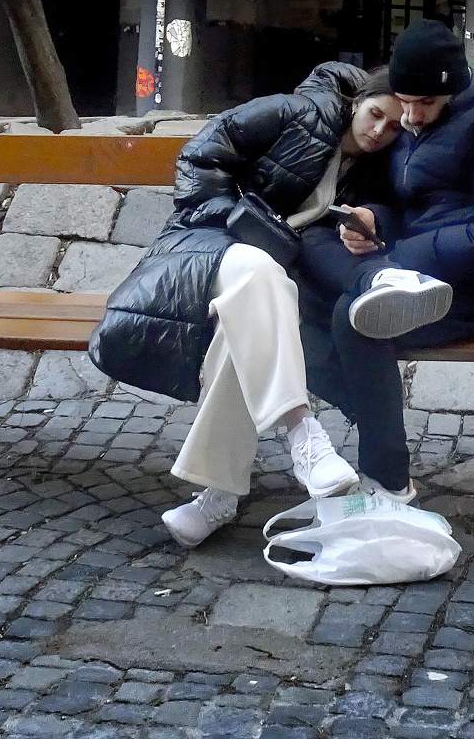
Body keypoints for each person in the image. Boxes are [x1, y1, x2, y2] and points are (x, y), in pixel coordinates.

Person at [89, 63, 404, 548]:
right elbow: (198, 158)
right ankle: (304, 434)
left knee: (251, 323)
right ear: (358, 100)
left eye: (393, 127)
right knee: (259, 274)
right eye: (376, 114)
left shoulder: (373, 164)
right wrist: (238, 217)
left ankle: (218, 495)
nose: (379, 131)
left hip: (276, 279)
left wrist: (368, 221)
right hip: (206, 246)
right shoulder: (298, 111)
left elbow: (382, 212)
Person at [295, 19, 474, 503]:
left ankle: (388, 482)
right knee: (296, 283)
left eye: (424, 104)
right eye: (405, 101)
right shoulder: (411, 121)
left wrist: (398, 257)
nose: (412, 116)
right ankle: (369, 377)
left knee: (358, 320)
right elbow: (407, 205)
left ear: (455, 88)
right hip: (423, 266)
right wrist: (373, 219)